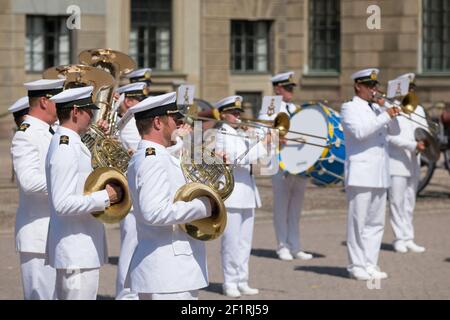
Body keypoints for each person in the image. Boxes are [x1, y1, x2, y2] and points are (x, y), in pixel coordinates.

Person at [126, 92, 214, 300]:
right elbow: (154, 212)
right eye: (175, 119)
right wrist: (203, 207)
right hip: (168, 275)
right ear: (158, 122)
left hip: (172, 272)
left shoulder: (157, 155)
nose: (179, 124)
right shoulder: (152, 159)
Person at [45, 86, 122, 300]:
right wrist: (105, 197)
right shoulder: (65, 146)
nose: (93, 116)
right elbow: (62, 203)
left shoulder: (72, 142)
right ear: (76, 111)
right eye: (90, 111)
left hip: (81, 249)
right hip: (75, 252)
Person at [340, 68, 401, 281]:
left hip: (380, 173)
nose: (374, 90)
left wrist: (390, 112)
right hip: (360, 172)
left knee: (376, 223)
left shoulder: (378, 109)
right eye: (370, 86)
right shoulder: (349, 107)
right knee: (358, 222)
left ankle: (370, 263)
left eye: (375, 86)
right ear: (358, 86)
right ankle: (355, 265)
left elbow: (395, 132)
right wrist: (385, 115)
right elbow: (360, 133)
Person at [10, 79, 65, 299]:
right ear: (44, 101)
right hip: (38, 235)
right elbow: (29, 182)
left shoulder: (52, 131)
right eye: (58, 100)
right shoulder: (26, 134)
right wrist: (65, 182)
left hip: (56, 232)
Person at [214, 95, 270, 298]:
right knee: (231, 242)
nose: (238, 117)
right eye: (233, 113)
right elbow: (238, 161)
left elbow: (263, 165)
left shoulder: (242, 134)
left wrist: (269, 144)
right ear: (223, 114)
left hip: (248, 193)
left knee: (245, 242)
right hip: (233, 195)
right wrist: (262, 144)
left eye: (239, 113)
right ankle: (229, 281)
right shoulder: (220, 134)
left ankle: (242, 279)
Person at [259, 71, 313, 261]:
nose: (291, 92)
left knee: (296, 207)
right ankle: (282, 245)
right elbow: (261, 131)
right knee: (282, 206)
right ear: (277, 88)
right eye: (287, 88)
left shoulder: (297, 108)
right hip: (278, 161)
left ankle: (296, 245)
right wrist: (276, 138)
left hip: (297, 162)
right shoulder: (271, 106)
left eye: (291, 88)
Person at [387, 73, 427, 254]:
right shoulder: (391, 108)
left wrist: (426, 142)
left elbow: (424, 130)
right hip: (397, 160)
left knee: (410, 200)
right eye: (408, 88)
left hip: (414, 160)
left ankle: (409, 237)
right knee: (397, 201)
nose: (411, 91)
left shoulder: (418, 109)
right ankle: (399, 238)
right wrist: (413, 145)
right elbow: (390, 137)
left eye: (412, 88)